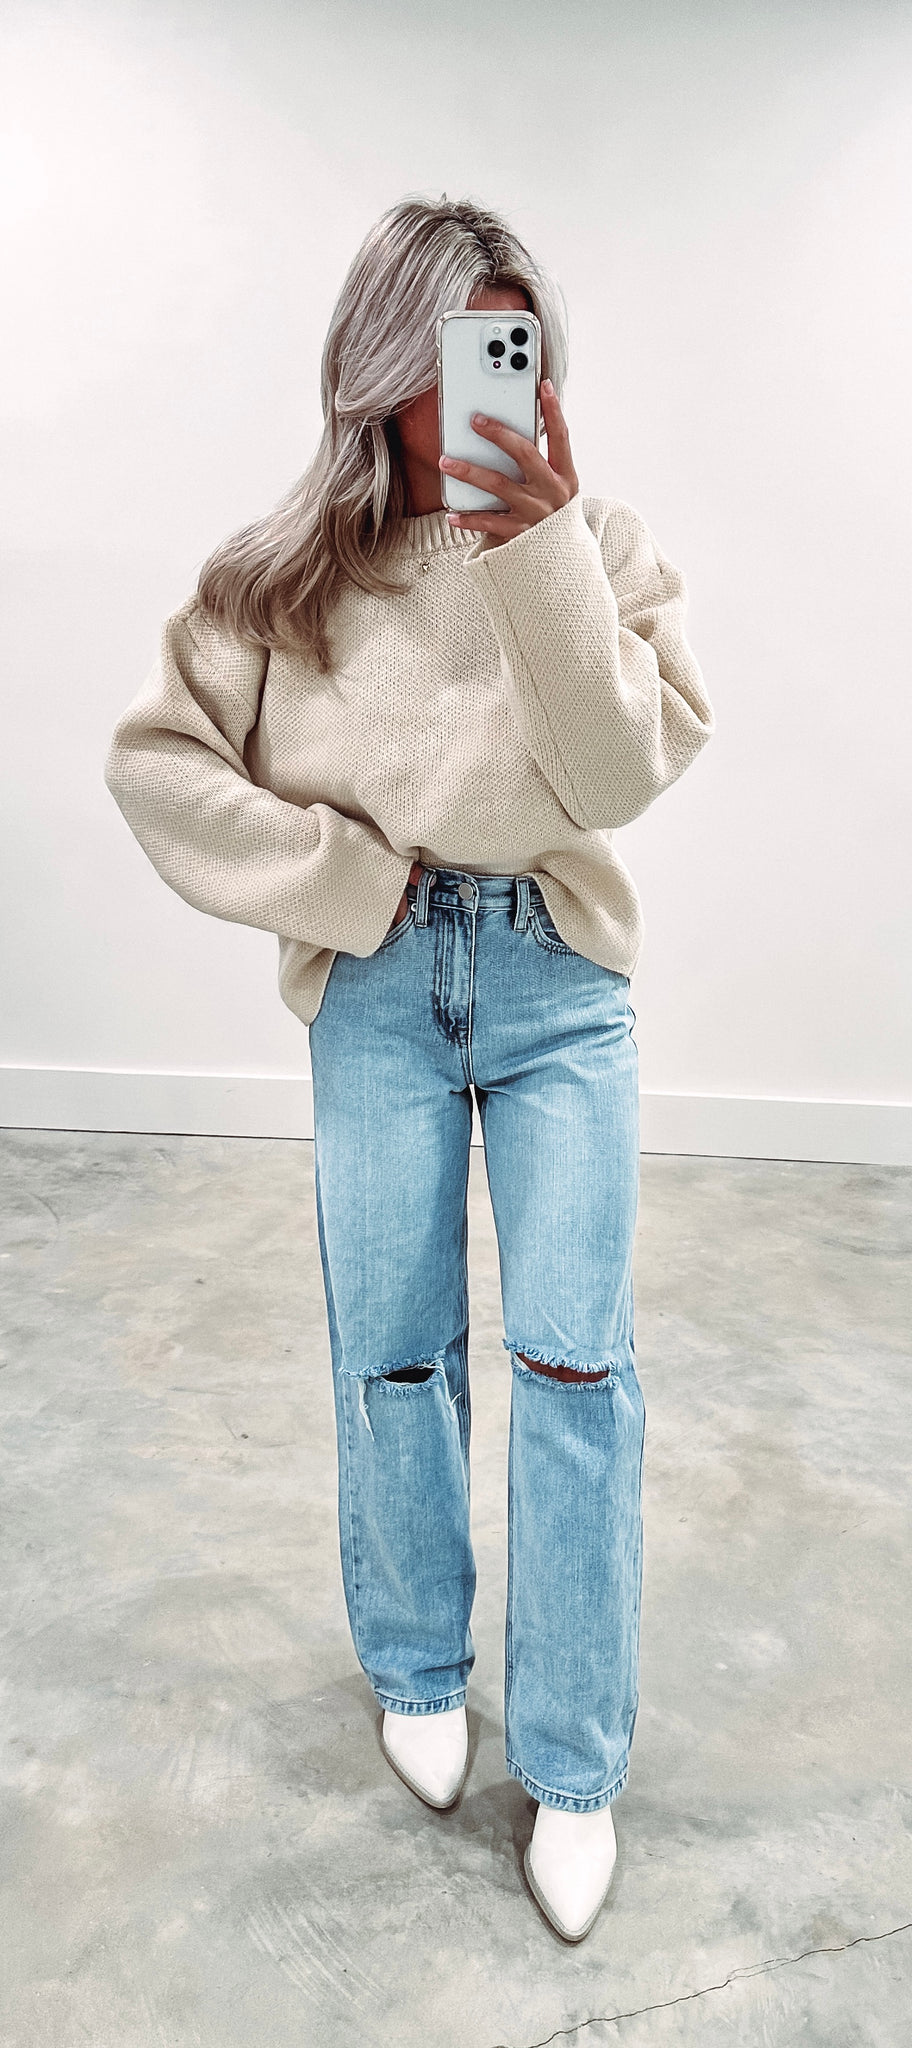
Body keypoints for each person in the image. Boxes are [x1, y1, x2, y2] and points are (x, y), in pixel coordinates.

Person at [103, 193, 715, 1942]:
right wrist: (346, 883)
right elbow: (158, 764)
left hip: (558, 980)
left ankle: (576, 1764)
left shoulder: (599, 546)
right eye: (450, 349)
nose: (478, 388)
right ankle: (419, 1667)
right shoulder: (282, 577)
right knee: (390, 1350)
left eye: (507, 349)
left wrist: (541, 551)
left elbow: (617, 771)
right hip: (377, 987)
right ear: (382, 363)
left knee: (577, 1365)